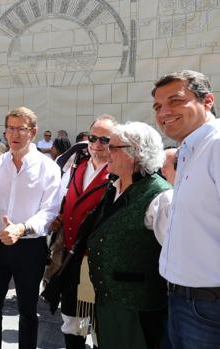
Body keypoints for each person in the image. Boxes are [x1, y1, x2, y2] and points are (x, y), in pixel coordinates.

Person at [86, 122, 173, 349]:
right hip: (110, 305)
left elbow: (174, 259)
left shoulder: (160, 197)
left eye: (113, 146)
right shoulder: (114, 187)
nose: (106, 151)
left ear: (135, 154)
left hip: (139, 312)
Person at [0, 107, 61, 349]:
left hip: (30, 247)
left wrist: (22, 228)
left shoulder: (48, 168)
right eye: (10, 129)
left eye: (21, 129)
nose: (14, 134)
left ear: (33, 132)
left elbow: (49, 211)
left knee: (27, 310)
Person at [152, 70, 220, 348]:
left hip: (209, 307)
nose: (164, 111)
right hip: (182, 301)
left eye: (175, 101)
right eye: (157, 106)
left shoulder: (215, 147)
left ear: (207, 101)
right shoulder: (191, 151)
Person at [53, 114, 116, 349]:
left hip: (99, 264)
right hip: (71, 258)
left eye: (105, 139)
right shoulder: (76, 165)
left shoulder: (120, 172)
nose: (97, 144)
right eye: (93, 138)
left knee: (99, 325)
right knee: (71, 322)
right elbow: (62, 198)